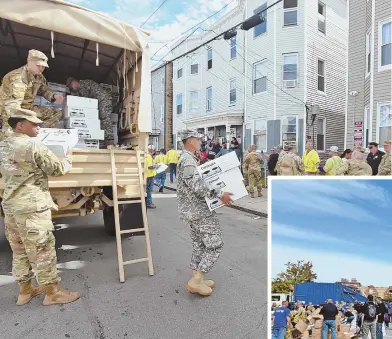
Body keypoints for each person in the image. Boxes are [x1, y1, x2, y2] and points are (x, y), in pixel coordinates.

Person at [0, 108, 80, 306]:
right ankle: (52, 294)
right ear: (20, 125)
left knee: (19, 251)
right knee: (43, 250)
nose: (38, 127)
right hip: (32, 208)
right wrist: (69, 157)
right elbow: (57, 168)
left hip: (11, 207)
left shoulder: (3, 146)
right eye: (34, 123)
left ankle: (25, 291)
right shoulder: (32, 146)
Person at [176, 129, 233, 297]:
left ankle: (198, 279)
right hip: (199, 211)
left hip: (192, 211)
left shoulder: (189, 158)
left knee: (199, 244)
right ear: (190, 141)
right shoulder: (187, 160)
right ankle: (196, 280)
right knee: (216, 244)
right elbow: (195, 184)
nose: (201, 141)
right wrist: (219, 193)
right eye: (198, 139)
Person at [0, 50, 63, 141]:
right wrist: (31, 118)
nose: (41, 68)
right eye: (38, 65)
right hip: (9, 111)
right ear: (29, 61)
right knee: (11, 140)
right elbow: (14, 108)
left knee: (56, 113)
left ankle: (37, 132)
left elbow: (43, 90)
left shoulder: (39, 77)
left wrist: (54, 96)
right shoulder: (18, 78)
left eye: (43, 66)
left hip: (28, 108)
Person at [66, 77, 114, 147]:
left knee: (105, 119)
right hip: (100, 101)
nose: (72, 89)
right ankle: (106, 141)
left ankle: (110, 142)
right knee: (101, 120)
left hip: (103, 99)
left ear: (74, 83)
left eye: (71, 87)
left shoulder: (82, 85)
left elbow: (84, 101)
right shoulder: (83, 85)